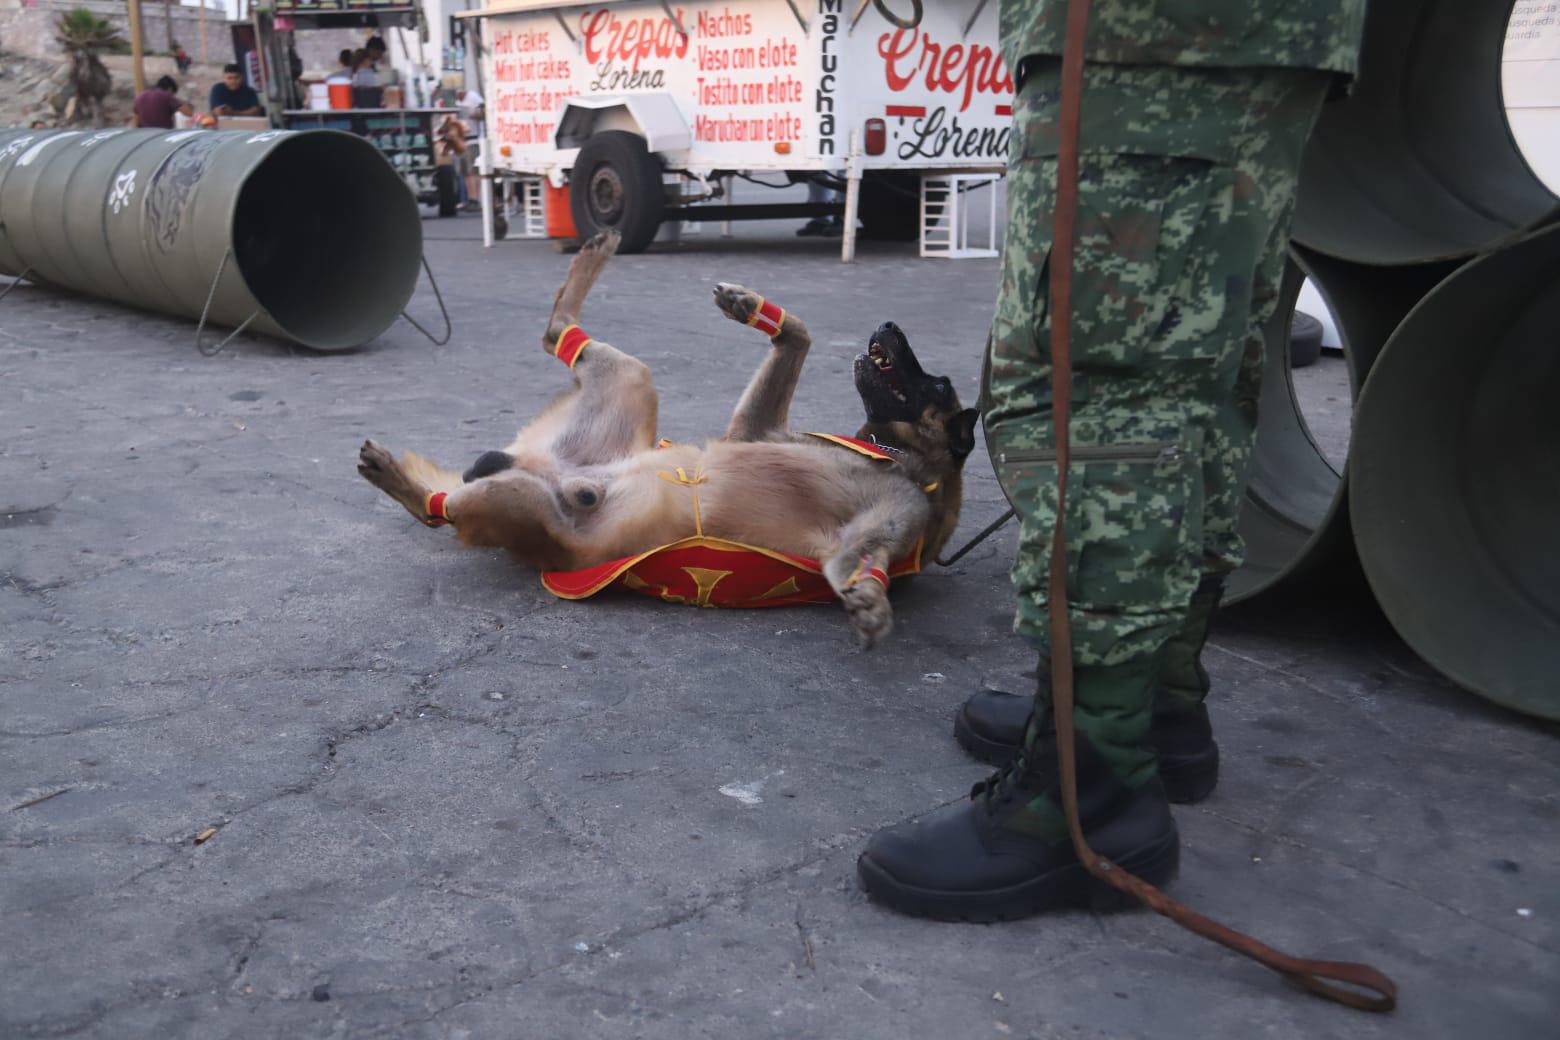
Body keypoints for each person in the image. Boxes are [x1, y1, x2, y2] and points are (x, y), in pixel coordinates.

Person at [856, 1, 1367, 920]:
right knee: (1195, 380)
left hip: (1147, 32)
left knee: (1099, 394)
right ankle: (1151, 711)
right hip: (1246, 39)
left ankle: (1087, 795)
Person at [458, 88, 485, 211]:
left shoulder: (473, 97)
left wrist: (471, 114)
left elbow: (484, 112)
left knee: (472, 171)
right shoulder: (456, 101)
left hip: (473, 138)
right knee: (465, 172)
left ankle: (476, 199)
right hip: (461, 139)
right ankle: (470, 199)